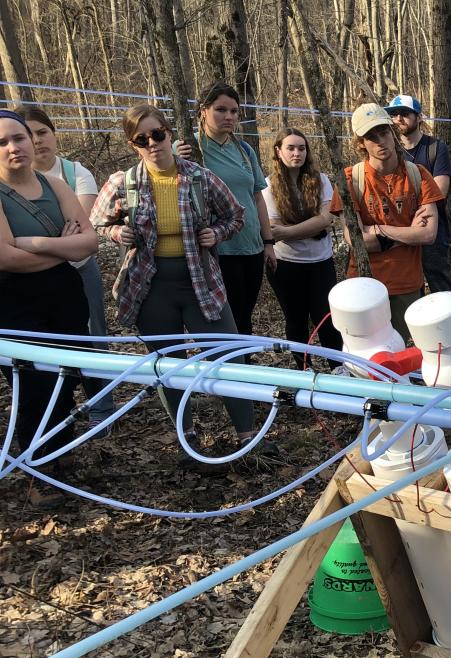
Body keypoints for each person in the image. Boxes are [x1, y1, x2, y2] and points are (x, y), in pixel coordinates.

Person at [91, 104, 266, 458]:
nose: (152, 143)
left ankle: (247, 436)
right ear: (132, 145)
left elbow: (236, 215)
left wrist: (216, 233)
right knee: (166, 364)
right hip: (151, 285)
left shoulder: (199, 178)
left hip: (201, 280)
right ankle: (187, 438)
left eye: (158, 134)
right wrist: (117, 232)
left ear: (169, 134)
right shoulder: (124, 183)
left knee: (227, 356)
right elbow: (98, 220)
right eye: (142, 139)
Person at [0, 110, 98, 507]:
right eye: (2, 142)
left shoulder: (54, 184)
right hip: (14, 303)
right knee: (31, 385)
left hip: (65, 297)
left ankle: (61, 450)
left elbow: (89, 242)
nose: (13, 147)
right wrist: (63, 246)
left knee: (66, 375)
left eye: (19, 138)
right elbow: (6, 259)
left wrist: (36, 243)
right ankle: (37, 468)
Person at [19, 104, 119, 431]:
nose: (38, 141)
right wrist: (60, 241)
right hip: (32, 277)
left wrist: (32, 242)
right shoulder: (11, 183)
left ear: (54, 133)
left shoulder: (76, 174)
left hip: (80, 270)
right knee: (46, 342)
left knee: (92, 335)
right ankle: (60, 409)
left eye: (43, 132)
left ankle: (102, 406)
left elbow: (82, 230)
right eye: (30, 135)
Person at [338, 103, 443, 342]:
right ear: (361, 143)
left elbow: (428, 235)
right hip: (363, 285)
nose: (380, 141)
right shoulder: (350, 179)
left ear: (393, 132)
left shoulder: (418, 175)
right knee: (365, 355)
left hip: (406, 284)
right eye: (371, 137)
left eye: (384, 132)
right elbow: (356, 240)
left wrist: (379, 230)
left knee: (400, 353)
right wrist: (409, 233)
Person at [179, 82, 275, 338]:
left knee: (245, 316)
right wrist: (175, 158)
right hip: (217, 248)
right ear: (203, 111)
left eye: (234, 111)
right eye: (221, 110)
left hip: (251, 246)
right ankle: (230, 361)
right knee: (225, 320)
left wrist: (268, 242)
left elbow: (257, 198)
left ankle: (246, 361)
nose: (229, 116)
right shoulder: (190, 148)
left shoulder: (244, 150)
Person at [263, 128, 344, 369]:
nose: (296, 153)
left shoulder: (321, 180)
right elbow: (273, 229)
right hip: (285, 264)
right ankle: (303, 370)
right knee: (296, 320)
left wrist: (289, 231)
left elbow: (326, 219)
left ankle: (338, 369)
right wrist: (312, 227)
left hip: (321, 262)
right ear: (278, 151)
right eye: (290, 148)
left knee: (326, 319)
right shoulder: (268, 186)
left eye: (301, 148)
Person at [386, 94, 451, 294]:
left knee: (441, 290)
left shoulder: (435, 148)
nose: (398, 119)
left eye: (405, 113)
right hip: (400, 233)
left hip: (432, 233)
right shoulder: (389, 152)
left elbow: (440, 191)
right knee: (408, 292)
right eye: (394, 114)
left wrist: (415, 212)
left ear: (419, 117)